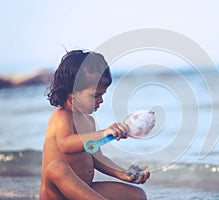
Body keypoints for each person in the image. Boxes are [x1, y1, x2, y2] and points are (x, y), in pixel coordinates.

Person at [40, 50, 150, 200]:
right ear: (72, 92)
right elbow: (65, 144)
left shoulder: (88, 121)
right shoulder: (62, 116)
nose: (101, 100)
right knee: (56, 168)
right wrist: (103, 133)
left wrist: (123, 173)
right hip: (57, 195)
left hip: (84, 191)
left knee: (137, 195)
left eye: (102, 95)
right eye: (95, 95)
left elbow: (95, 155)